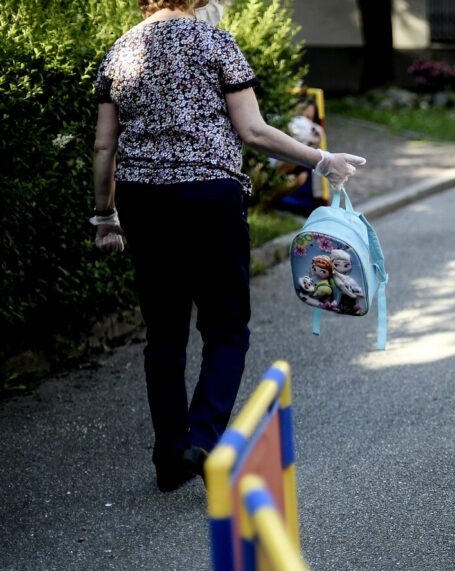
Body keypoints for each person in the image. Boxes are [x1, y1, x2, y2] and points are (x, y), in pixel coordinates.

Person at [90, 0, 366, 492]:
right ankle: (203, 440)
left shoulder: (121, 50)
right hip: (207, 197)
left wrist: (106, 215)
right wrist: (322, 160)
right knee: (226, 328)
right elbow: (253, 130)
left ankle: (170, 459)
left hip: (143, 200)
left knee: (164, 333)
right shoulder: (215, 42)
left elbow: (104, 146)